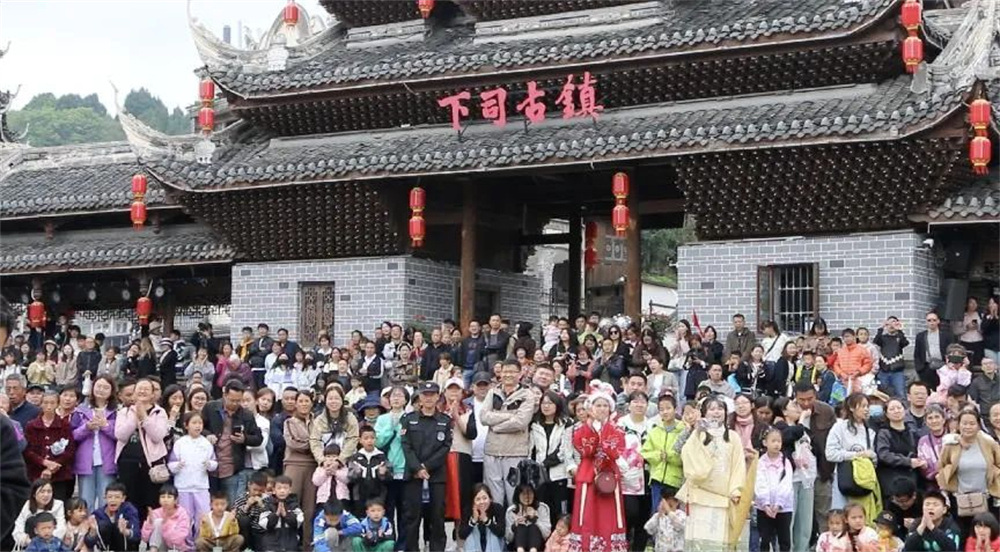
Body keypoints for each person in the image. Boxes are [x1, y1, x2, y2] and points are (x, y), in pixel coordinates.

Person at [568, 381, 627, 552]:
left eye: (605, 405)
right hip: (588, 476)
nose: (601, 409)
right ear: (591, 408)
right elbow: (586, 450)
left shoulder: (617, 429)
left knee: (609, 516)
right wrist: (595, 428)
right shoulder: (581, 429)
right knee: (587, 514)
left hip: (609, 477)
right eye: (598, 405)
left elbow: (615, 451)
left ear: (610, 408)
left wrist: (605, 428)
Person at [400, 381, 452, 552]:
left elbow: (445, 447)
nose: (428, 398)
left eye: (432, 395)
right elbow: (406, 445)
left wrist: (426, 467)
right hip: (413, 475)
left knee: (437, 516)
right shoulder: (409, 419)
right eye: (425, 395)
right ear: (419, 397)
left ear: (438, 397)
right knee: (412, 516)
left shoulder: (445, 421)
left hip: (436, 475)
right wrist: (418, 468)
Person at [480, 359, 537, 507]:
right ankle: (497, 522)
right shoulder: (493, 392)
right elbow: (484, 417)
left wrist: (497, 427)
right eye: (505, 371)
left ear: (520, 374)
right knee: (494, 497)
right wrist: (509, 415)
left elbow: (520, 422)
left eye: (512, 371)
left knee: (514, 496)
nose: (508, 375)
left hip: (515, 452)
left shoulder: (527, 394)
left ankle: (514, 522)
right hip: (492, 451)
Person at [936, 409, 1000, 537]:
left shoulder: (988, 443)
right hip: (959, 501)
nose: (968, 427)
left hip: (986, 499)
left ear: (978, 425)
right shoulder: (950, 445)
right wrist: (947, 484)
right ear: (958, 425)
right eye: (964, 423)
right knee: (963, 536)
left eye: (972, 423)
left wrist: (994, 478)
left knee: (988, 537)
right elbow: (941, 467)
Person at [201, 380, 263, 504]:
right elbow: (199, 427)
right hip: (209, 465)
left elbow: (258, 438)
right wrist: (208, 435)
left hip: (232, 467)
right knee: (208, 504)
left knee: (233, 504)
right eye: (231, 400)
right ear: (224, 395)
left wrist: (244, 439)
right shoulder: (211, 407)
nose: (235, 404)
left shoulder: (246, 415)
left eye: (238, 401)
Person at [114, 378, 168, 521]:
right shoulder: (124, 412)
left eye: (146, 389)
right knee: (130, 501)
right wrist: (135, 415)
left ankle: (150, 533)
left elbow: (158, 436)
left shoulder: (159, 412)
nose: (142, 391)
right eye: (139, 389)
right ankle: (132, 532)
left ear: (153, 394)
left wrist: (144, 417)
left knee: (151, 502)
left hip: (151, 464)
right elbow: (120, 435)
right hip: (127, 462)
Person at [168, 410, 217, 539]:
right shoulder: (180, 443)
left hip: (201, 486)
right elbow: (171, 464)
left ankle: (201, 542)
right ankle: (186, 542)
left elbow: (214, 463)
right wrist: (177, 466)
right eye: (194, 423)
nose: (197, 426)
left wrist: (209, 464)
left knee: (203, 516)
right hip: (183, 486)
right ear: (186, 425)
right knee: (185, 516)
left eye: (200, 423)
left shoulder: (206, 443)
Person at [825, 392, 877, 510]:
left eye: (867, 406)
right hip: (843, 477)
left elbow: (873, 456)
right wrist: (857, 455)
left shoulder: (870, 430)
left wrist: (872, 456)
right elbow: (830, 454)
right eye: (862, 406)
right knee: (841, 511)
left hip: (864, 479)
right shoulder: (839, 427)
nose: (866, 409)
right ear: (852, 408)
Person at [24, 390, 76, 501]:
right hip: (36, 473)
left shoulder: (64, 425)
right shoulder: (31, 425)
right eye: (46, 403)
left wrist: (53, 467)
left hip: (60, 475)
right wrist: (44, 462)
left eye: (52, 403)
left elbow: (70, 450)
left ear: (57, 404)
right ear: (41, 404)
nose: (49, 406)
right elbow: (28, 451)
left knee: (59, 504)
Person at [530, 391, 571, 528]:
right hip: (539, 476)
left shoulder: (566, 423)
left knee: (560, 511)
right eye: (543, 403)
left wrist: (545, 463)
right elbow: (531, 449)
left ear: (557, 405)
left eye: (550, 403)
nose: (546, 406)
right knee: (541, 509)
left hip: (559, 474)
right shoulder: (535, 424)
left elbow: (564, 449)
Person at [283, 390, 318, 543]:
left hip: (313, 466)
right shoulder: (289, 422)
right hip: (294, 465)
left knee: (309, 509)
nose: (304, 404)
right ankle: (287, 543)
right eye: (301, 401)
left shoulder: (318, 421)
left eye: (306, 401)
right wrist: (313, 444)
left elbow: (323, 440)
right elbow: (293, 443)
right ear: (296, 404)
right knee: (290, 505)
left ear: (311, 403)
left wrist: (312, 444)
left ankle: (307, 545)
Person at [641, 394, 684, 510]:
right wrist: (659, 456)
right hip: (657, 479)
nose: (665, 412)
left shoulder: (683, 430)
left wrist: (669, 456)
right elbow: (645, 453)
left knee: (674, 513)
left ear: (675, 409)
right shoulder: (654, 431)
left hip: (675, 480)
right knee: (657, 512)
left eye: (668, 408)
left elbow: (684, 456)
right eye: (661, 409)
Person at [754, 426, 794, 552]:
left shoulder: (786, 462)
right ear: (765, 443)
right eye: (773, 441)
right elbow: (759, 482)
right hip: (764, 508)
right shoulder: (760, 462)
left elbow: (786, 484)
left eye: (779, 441)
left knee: (784, 540)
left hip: (783, 508)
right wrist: (765, 503)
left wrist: (779, 504)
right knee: (764, 539)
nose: (777, 444)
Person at [875, 398, 921, 502]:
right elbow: (884, 455)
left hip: (910, 478)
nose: (896, 411)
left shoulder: (912, 432)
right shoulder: (884, 433)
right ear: (886, 414)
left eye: (899, 408)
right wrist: (907, 462)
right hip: (891, 479)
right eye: (892, 409)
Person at [85, 481, 140, 552]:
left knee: (119, 525)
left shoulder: (129, 510)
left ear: (123, 498)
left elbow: (137, 536)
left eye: (117, 497)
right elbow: (89, 543)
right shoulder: (98, 514)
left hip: (125, 548)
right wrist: (93, 531)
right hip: (105, 547)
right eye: (110, 497)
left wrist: (125, 531)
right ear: (105, 497)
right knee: (103, 525)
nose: (113, 500)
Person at [13, 480, 67, 548]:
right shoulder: (27, 505)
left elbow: (61, 527)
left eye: (49, 491)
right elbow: (18, 526)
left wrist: (47, 541)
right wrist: (28, 541)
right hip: (31, 542)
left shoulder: (58, 505)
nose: (46, 495)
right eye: (42, 491)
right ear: (34, 494)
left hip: (52, 542)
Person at [140, 484, 192, 552]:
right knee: (158, 522)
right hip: (160, 548)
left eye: (169, 497)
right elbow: (144, 538)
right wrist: (149, 523)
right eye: (163, 497)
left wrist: (166, 524)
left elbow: (177, 539)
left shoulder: (182, 514)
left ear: (176, 500)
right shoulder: (156, 513)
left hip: (176, 548)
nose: (165, 500)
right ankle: (153, 549)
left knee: (160, 522)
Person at [259, 475, 304, 550]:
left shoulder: (294, 505)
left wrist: (286, 515)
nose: (282, 491)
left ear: (290, 490)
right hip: (271, 542)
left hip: (290, 541)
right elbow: (264, 523)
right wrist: (276, 514)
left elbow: (298, 522)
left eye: (285, 488)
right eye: (279, 488)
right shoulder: (268, 504)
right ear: (274, 490)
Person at [459, 484, 506, 552]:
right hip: (475, 544)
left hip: (496, 546)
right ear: (473, 501)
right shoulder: (468, 510)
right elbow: (462, 535)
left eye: (485, 498)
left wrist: (486, 520)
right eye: (478, 499)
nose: (482, 502)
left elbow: (501, 533)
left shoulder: (497, 508)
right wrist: (473, 521)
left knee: (492, 533)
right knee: (471, 531)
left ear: (490, 499)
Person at [505, 484, 551, 552]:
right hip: (517, 545)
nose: (527, 496)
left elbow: (547, 534)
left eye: (529, 493)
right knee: (521, 527)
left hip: (538, 545)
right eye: (523, 494)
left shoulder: (542, 508)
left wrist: (535, 519)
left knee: (533, 527)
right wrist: (514, 526)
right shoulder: (511, 510)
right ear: (518, 495)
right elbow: (508, 538)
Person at [233, 470, 269, 551]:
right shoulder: (242, 498)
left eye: (260, 491)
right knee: (244, 520)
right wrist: (247, 506)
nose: (257, 493)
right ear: (249, 485)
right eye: (254, 489)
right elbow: (236, 517)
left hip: (261, 532)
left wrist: (262, 506)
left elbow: (270, 516)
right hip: (246, 531)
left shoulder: (267, 499)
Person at [873, 317, 909, 400]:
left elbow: (905, 343)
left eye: (894, 323)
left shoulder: (899, 337)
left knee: (900, 393)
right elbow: (876, 340)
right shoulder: (883, 338)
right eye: (889, 323)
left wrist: (899, 330)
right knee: (883, 392)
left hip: (897, 371)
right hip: (884, 370)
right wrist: (881, 328)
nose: (891, 326)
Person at [916, 404, 948, 490]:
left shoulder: (952, 438)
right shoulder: (923, 441)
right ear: (926, 422)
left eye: (937, 417)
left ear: (943, 419)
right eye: (930, 418)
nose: (934, 421)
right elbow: (924, 467)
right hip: (934, 485)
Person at [314, 443, 351, 512]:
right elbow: (316, 481)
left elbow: (347, 479)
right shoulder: (320, 468)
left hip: (341, 497)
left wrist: (335, 472)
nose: (331, 459)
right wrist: (325, 473)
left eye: (334, 456)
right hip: (324, 498)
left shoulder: (343, 467)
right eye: (328, 456)